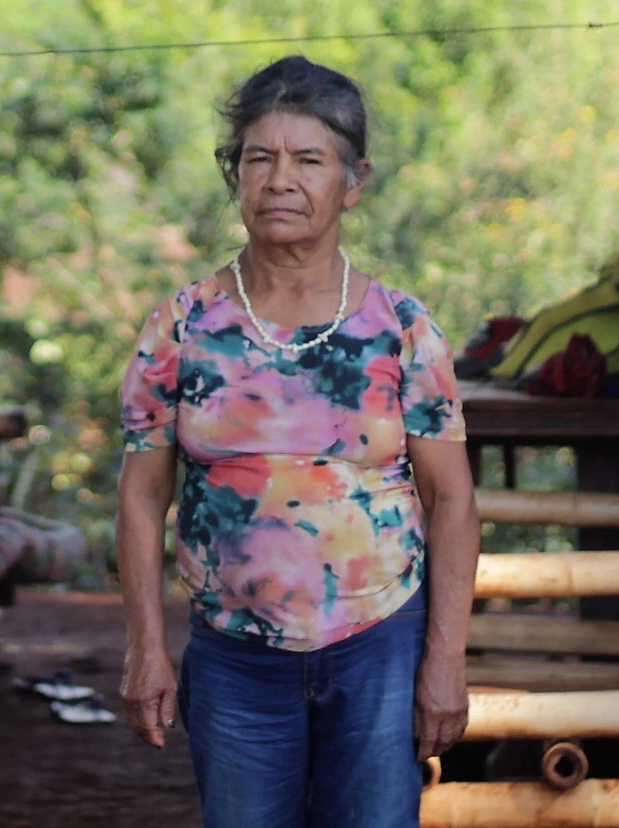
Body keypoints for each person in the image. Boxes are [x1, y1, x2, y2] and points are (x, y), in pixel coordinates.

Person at [116, 56, 479, 828]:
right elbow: (143, 498)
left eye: (309, 160)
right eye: (259, 158)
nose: (281, 179)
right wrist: (146, 646)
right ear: (234, 176)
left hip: (378, 644)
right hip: (234, 655)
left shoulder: (404, 329)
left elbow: (452, 501)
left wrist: (444, 661)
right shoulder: (181, 328)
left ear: (353, 181)